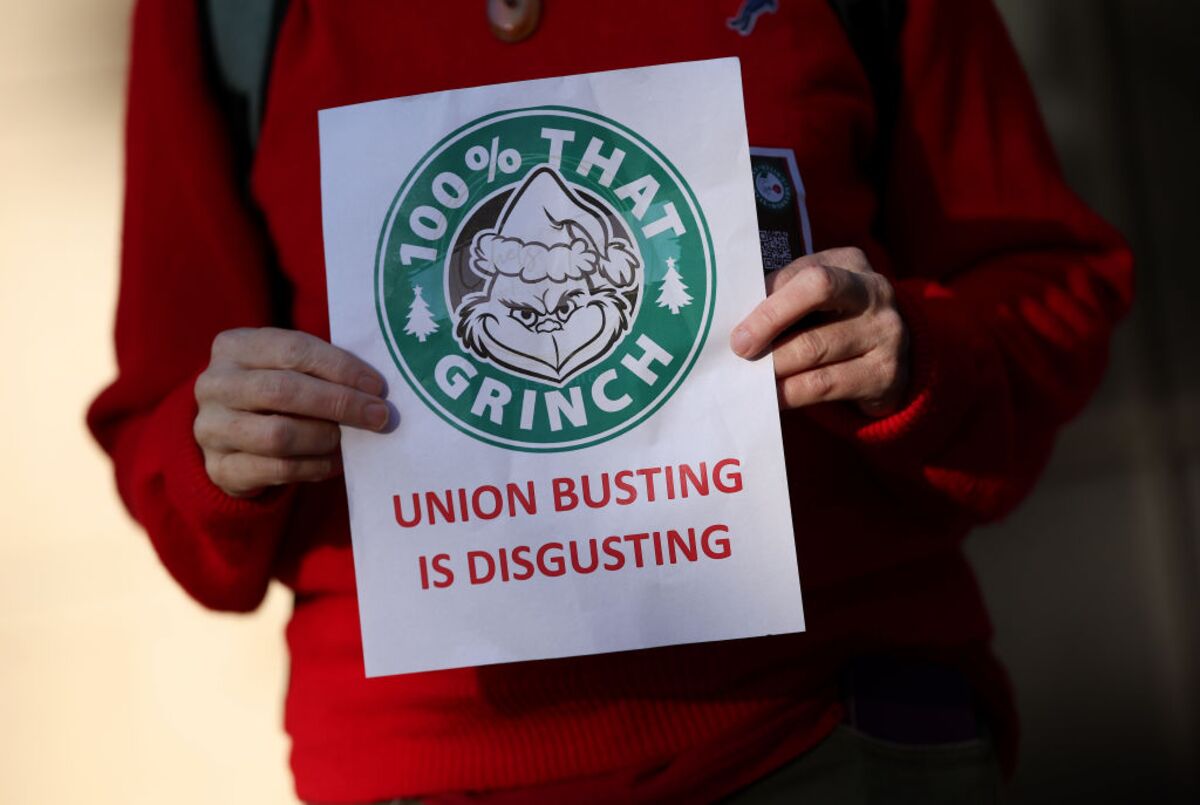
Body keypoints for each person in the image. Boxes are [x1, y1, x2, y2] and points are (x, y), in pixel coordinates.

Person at [88, 1, 1133, 802]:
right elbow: (162, 429)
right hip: (422, 769)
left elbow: (1050, 287)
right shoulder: (224, 14)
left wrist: (915, 351)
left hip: (828, 736)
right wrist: (222, 441)